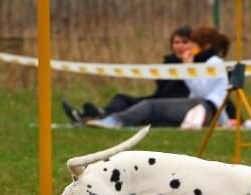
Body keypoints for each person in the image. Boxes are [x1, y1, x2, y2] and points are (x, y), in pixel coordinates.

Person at [86, 27, 231, 129]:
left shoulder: (215, 63)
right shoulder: (207, 62)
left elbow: (202, 93)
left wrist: (188, 67)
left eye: (193, 44)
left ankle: (114, 121)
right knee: (153, 112)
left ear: (205, 46)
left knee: (150, 106)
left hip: (205, 108)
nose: (189, 48)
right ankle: (106, 118)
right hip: (200, 107)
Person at [62, 26, 194, 124]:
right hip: (157, 99)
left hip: (173, 105)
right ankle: (97, 114)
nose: (180, 46)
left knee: (142, 106)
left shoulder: (198, 64)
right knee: (122, 98)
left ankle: (97, 118)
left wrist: (187, 66)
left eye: (184, 42)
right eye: (176, 42)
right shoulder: (168, 61)